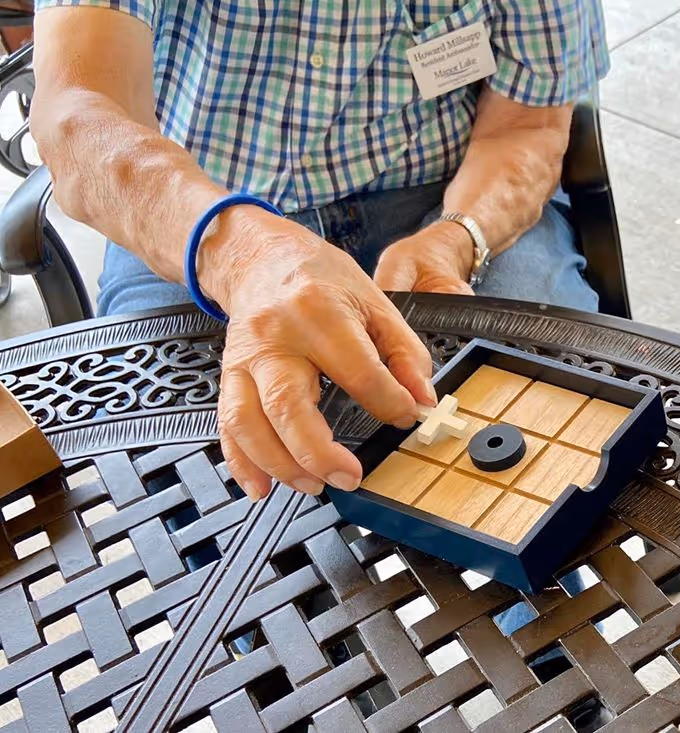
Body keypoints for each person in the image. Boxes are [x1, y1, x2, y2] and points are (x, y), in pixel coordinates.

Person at [30, 0, 610, 500]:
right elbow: (75, 115)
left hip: (445, 188)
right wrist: (244, 255)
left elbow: (526, 125)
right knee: (197, 480)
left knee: (549, 436)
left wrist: (458, 236)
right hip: (192, 207)